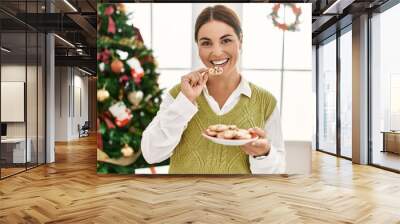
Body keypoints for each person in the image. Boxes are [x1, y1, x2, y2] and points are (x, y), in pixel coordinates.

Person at [141, 5, 286, 174]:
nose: (217, 52)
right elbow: (151, 154)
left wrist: (263, 154)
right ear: (198, 46)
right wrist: (185, 102)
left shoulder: (265, 101)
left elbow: (277, 173)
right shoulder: (179, 94)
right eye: (206, 43)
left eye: (226, 40)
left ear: (241, 41)